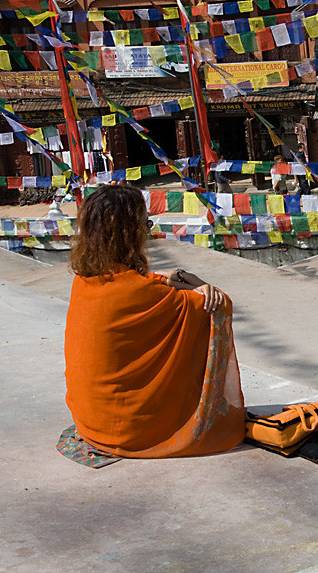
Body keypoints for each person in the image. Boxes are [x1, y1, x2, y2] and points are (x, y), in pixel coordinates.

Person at [60, 185, 245, 463]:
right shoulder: (141, 293)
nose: (147, 231)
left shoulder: (84, 283)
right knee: (208, 317)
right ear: (127, 232)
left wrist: (175, 276)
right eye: (144, 223)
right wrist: (198, 282)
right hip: (130, 432)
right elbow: (218, 303)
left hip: (90, 421)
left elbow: (143, 282)